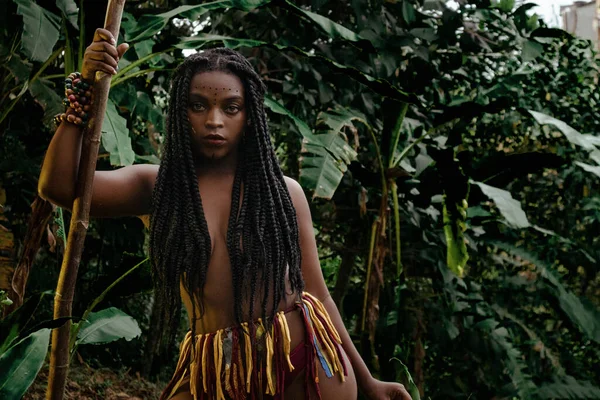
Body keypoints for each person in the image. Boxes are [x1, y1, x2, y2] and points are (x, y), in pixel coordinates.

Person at [38, 28, 412, 400]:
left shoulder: (283, 193)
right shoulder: (158, 188)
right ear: (181, 113)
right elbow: (59, 188)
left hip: (307, 367)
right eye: (198, 105)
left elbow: (319, 295)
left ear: (249, 116)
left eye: (230, 107)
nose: (214, 120)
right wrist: (84, 90)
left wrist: (368, 382)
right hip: (214, 371)